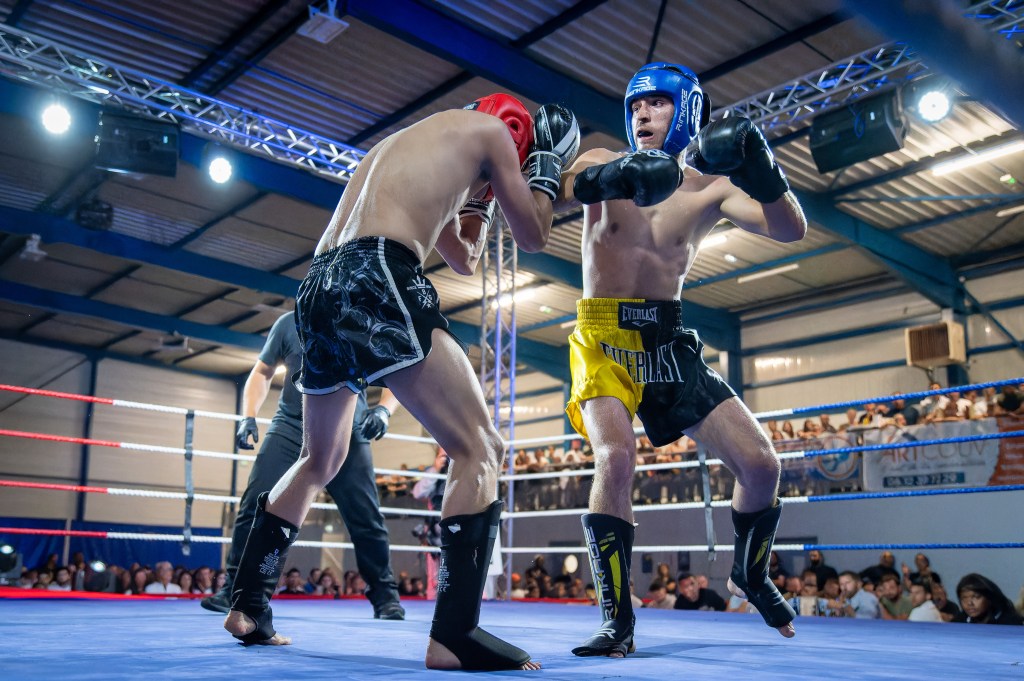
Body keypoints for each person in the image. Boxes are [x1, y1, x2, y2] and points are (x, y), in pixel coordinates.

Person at [224, 93, 580, 672]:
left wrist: (480, 203)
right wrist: (544, 169)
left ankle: (247, 604)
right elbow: (535, 233)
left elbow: (463, 257)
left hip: (317, 288)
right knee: (480, 447)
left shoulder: (403, 146)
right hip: (378, 274)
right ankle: (455, 635)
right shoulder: (495, 134)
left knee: (319, 458)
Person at [556, 62, 806, 657]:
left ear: (688, 112)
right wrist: (614, 175)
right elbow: (560, 187)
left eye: (658, 103)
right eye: (635, 104)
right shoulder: (601, 162)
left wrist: (762, 168)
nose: (642, 113)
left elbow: (790, 230)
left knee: (762, 467)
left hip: (668, 338)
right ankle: (616, 620)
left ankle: (749, 573)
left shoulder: (711, 187)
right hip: (602, 335)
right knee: (616, 458)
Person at [200, 310, 406, 621]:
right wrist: (248, 416)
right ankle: (234, 589)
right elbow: (262, 371)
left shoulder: (362, 321)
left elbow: (395, 370)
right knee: (256, 503)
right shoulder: (289, 322)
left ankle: (385, 597)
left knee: (365, 516)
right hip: (291, 425)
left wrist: (383, 411)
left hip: (347, 428)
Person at [953, 573, 1023, 625]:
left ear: (989, 598)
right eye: (964, 598)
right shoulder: (959, 621)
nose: (969, 603)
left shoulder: (1010, 622)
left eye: (976, 597)